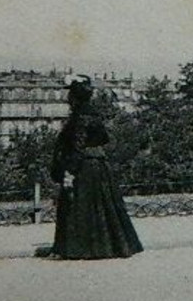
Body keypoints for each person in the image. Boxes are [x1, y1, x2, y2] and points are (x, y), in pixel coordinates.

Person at [47, 74, 144, 260]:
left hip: (84, 166)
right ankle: (105, 247)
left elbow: (78, 145)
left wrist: (70, 171)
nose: (67, 98)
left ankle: (75, 249)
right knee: (101, 208)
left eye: (70, 95)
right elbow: (104, 138)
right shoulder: (93, 113)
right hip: (98, 164)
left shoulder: (79, 116)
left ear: (74, 97)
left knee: (77, 207)